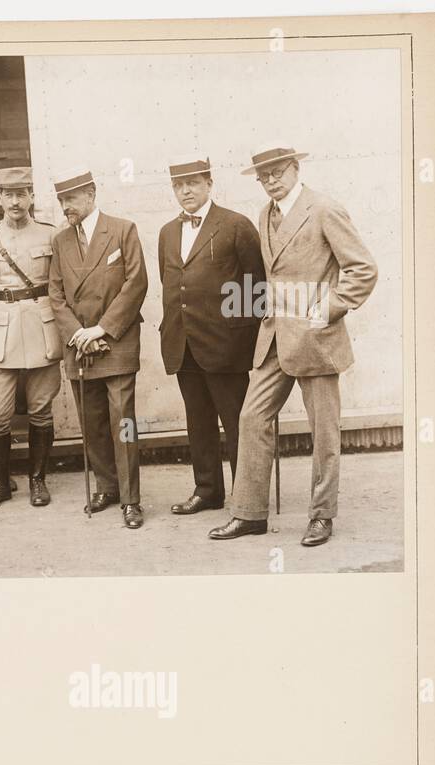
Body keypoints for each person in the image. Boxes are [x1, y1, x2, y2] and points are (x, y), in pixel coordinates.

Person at [209, 144, 378, 547]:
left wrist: (327, 310)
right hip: (274, 338)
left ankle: (322, 516)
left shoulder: (323, 209)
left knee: (323, 433)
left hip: (316, 339)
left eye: (277, 173)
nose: (270, 181)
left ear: (295, 169)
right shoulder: (265, 215)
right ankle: (249, 514)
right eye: (263, 176)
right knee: (251, 419)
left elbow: (363, 269)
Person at [156, 155, 263, 514]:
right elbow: (171, 285)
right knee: (197, 421)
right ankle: (208, 491)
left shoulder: (236, 225)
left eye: (193, 183)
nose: (185, 191)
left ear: (209, 184)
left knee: (237, 424)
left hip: (225, 346)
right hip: (183, 343)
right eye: (178, 185)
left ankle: (245, 498)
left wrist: (241, 343)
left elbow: (254, 289)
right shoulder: (167, 232)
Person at [47, 167, 149, 529]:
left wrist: (102, 329)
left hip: (114, 341)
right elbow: (55, 294)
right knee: (91, 423)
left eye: (70, 199)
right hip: (80, 345)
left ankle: (131, 499)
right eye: (61, 200)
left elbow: (136, 284)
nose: (65, 207)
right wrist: (78, 333)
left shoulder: (122, 230)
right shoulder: (60, 242)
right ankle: (107, 487)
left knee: (123, 422)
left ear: (91, 194)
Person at [0, 166, 63, 509]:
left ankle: (38, 481)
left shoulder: (50, 234)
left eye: (22, 194)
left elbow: (59, 284)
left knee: (41, 408)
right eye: (9, 194)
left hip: (40, 325)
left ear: (32, 197)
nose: (16, 201)